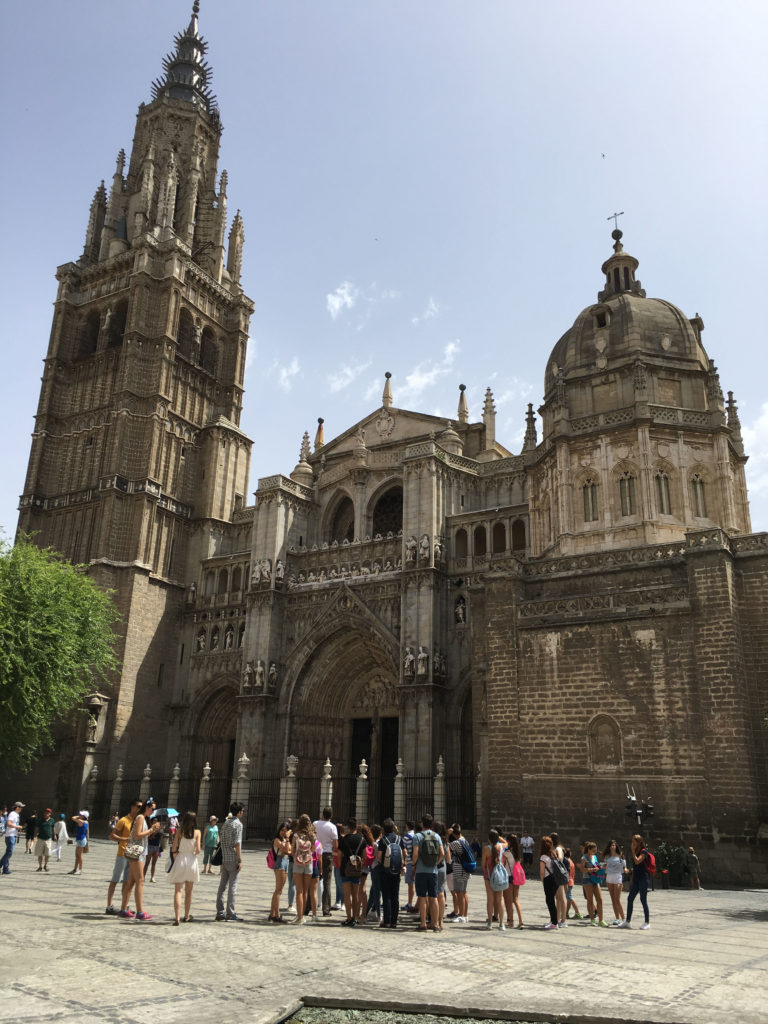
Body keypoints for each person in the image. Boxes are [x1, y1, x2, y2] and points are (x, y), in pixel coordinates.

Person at [119, 800, 160, 920]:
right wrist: (151, 829)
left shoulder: (143, 818)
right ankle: (140, 912)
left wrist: (153, 830)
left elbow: (142, 835)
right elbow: (137, 835)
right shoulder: (141, 817)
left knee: (131, 882)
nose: (153, 812)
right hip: (137, 852)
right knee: (140, 881)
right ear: (147, 807)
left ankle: (123, 909)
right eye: (152, 809)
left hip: (139, 851)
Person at [167, 810, 201, 925]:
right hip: (191, 861)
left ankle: (177, 918)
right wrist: (192, 851)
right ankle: (186, 916)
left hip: (181, 859)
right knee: (189, 891)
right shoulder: (197, 832)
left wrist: (177, 853)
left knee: (178, 890)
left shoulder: (179, 831)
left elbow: (173, 848)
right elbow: (198, 850)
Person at [107, 799, 141, 915]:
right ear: (132, 807)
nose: (139, 809)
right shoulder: (123, 820)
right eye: (138, 806)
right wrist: (124, 839)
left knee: (127, 882)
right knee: (115, 879)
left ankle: (124, 906)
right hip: (122, 853)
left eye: (141, 807)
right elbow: (112, 836)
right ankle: (109, 906)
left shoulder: (138, 821)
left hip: (132, 854)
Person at [413, 813, 444, 933]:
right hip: (433, 871)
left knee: (422, 897)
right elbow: (442, 853)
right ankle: (435, 924)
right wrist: (436, 863)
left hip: (421, 871)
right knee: (434, 897)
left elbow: (415, 854)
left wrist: (414, 864)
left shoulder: (418, 836)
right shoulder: (437, 836)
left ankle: (423, 924)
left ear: (422, 823)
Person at [215, 801, 244, 922]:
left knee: (222, 886)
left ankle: (219, 912)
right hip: (232, 858)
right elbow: (237, 844)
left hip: (224, 858)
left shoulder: (226, 823)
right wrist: (239, 860)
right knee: (233, 886)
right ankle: (230, 913)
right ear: (239, 812)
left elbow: (221, 840)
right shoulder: (238, 824)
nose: (243, 813)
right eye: (242, 811)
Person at [377, 818, 405, 928]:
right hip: (396, 871)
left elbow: (379, 856)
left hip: (385, 871)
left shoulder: (383, 840)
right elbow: (405, 853)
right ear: (393, 827)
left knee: (386, 895)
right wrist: (403, 864)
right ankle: (394, 921)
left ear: (384, 829)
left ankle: (387, 921)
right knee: (395, 895)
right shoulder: (399, 838)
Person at [620, 834, 651, 929]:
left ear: (639, 842)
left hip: (643, 879)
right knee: (630, 898)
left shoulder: (643, 851)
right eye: (632, 841)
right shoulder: (636, 851)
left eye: (634, 841)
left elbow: (637, 861)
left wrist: (633, 851)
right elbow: (635, 867)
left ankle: (647, 922)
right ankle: (628, 921)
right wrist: (632, 879)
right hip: (637, 878)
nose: (632, 843)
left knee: (643, 899)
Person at [338, 817, 366, 927]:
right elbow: (364, 856)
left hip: (345, 868)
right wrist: (358, 863)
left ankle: (349, 917)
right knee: (355, 895)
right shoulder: (362, 840)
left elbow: (339, 855)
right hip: (356, 869)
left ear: (348, 827)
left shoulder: (344, 839)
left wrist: (341, 865)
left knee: (347, 894)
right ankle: (355, 917)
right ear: (356, 827)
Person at [291, 814, 316, 925]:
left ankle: (299, 916)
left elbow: (292, 850)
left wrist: (296, 855)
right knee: (305, 891)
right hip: (309, 863)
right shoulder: (312, 836)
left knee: (299, 891)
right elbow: (313, 850)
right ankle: (302, 916)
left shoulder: (296, 835)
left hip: (298, 863)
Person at [313, 807, 338, 916]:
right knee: (327, 882)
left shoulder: (315, 824)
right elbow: (335, 845)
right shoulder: (332, 827)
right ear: (331, 816)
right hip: (327, 854)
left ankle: (308, 907)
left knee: (312, 881)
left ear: (322, 814)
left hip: (315, 853)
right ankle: (326, 909)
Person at [482, 829, 507, 931]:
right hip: (499, 876)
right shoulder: (501, 847)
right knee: (500, 899)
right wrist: (498, 837)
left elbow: (483, 864)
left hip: (489, 876)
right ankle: (501, 924)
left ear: (489, 839)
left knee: (490, 899)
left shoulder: (486, 849)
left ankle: (490, 923)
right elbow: (506, 843)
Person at [447, 823, 471, 924]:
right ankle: (465, 915)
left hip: (459, 869)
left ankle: (461, 915)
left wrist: (447, 835)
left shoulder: (456, 843)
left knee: (459, 893)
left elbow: (446, 847)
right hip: (465, 869)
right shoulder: (464, 840)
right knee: (464, 892)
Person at [579, 841, 607, 926]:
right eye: (593, 850)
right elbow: (582, 869)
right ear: (588, 850)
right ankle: (592, 919)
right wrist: (590, 870)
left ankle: (601, 920)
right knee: (590, 900)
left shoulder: (594, 857)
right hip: (587, 879)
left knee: (600, 899)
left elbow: (596, 865)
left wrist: (599, 867)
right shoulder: (584, 858)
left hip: (595, 879)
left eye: (595, 850)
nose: (595, 852)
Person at [269, 821, 292, 923]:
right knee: (278, 890)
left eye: (286, 830)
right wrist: (287, 839)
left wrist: (287, 841)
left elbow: (290, 850)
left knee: (279, 890)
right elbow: (287, 850)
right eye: (282, 830)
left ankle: (272, 914)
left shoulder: (285, 840)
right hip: (280, 863)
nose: (283, 832)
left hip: (285, 862)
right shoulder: (277, 840)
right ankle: (276, 915)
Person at [501, 832, 525, 928]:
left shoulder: (507, 853)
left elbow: (501, 864)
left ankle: (510, 921)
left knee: (508, 900)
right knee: (516, 899)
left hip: (509, 877)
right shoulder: (517, 853)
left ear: (509, 842)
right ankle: (521, 921)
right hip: (517, 877)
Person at [603, 839, 627, 924]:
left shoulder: (620, 855)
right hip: (609, 877)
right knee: (613, 899)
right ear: (609, 847)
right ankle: (617, 918)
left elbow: (624, 866)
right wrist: (603, 867)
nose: (613, 847)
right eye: (611, 845)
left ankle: (624, 919)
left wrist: (625, 869)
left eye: (614, 845)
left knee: (617, 899)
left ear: (616, 846)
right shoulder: (607, 856)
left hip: (617, 877)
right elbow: (605, 866)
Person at [539, 835, 559, 930]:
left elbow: (542, 872)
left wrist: (543, 882)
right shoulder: (554, 854)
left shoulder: (543, 857)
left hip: (548, 879)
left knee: (550, 901)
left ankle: (554, 923)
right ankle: (553, 920)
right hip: (556, 879)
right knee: (551, 900)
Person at [434, 820, 451, 931]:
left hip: (433, 867)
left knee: (433, 895)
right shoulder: (445, 842)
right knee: (441, 894)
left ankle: (434, 921)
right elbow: (448, 859)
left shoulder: (433, 839)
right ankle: (441, 920)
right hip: (442, 868)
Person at [550, 832, 568, 927]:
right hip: (555, 875)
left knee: (562, 898)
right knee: (558, 898)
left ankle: (564, 921)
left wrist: (553, 856)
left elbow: (560, 858)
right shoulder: (556, 848)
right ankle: (557, 919)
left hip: (558, 875)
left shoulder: (558, 849)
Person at [365, 824, 383, 921]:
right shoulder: (379, 843)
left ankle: (377, 914)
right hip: (379, 868)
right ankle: (368, 912)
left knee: (375, 892)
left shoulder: (374, 844)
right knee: (374, 892)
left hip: (374, 868)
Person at [0, 802, 24, 874]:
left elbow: (14, 824)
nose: (22, 808)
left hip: (13, 835)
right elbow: (8, 824)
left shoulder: (17, 815)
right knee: (9, 852)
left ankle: (5, 868)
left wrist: (18, 829)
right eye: (21, 807)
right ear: (17, 807)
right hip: (10, 835)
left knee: (8, 852)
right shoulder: (12, 814)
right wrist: (17, 827)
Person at [142, 798, 161, 882]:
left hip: (156, 846)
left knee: (154, 863)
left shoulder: (158, 828)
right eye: (154, 821)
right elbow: (148, 836)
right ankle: (143, 876)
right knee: (147, 862)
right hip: (150, 846)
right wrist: (153, 830)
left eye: (156, 821)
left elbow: (160, 837)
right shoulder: (149, 827)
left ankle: (152, 877)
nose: (155, 822)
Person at [401, 820, 417, 913]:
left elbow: (404, 851)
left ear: (407, 826)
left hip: (410, 862)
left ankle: (410, 903)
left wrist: (404, 863)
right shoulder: (416, 835)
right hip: (417, 863)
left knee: (410, 884)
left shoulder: (406, 837)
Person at [564, 847, 582, 920]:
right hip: (571, 880)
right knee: (568, 898)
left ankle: (577, 913)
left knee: (569, 897)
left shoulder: (566, 861)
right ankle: (566, 913)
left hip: (567, 881)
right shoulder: (570, 860)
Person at [69, 811, 89, 875]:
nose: (80, 815)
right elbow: (87, 831)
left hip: (81, 840)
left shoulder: (81, 821)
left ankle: (80, 870)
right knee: (77, 855)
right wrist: (87, 840)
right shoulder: (86, 822)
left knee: (79, 856)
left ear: (84, 816)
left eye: (81, 815)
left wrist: (78, 816)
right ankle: (75, 869)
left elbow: (73, 818)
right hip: (80, 839)